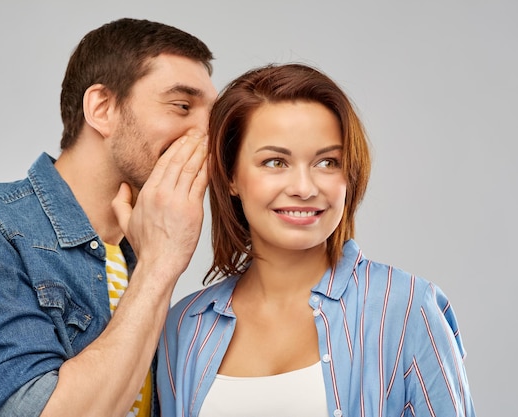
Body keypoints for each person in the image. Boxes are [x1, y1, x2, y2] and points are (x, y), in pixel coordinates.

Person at [0, 18, 217, 417]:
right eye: (183, 106)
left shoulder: (140, 250)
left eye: (214, 115)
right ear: (102, 108)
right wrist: (159, 268)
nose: (207, 133)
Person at [157, 63, 476, 417]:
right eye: (275, 162)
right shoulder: (186, 324)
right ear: (231, 175)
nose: (304, 189)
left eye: (327, 162)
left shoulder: (405, 308)